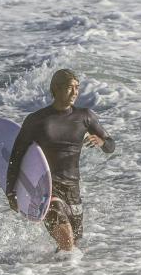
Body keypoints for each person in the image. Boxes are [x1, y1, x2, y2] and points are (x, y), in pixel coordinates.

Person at [6, 69, 115, 252]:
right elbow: (16, 156)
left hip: (73, 189)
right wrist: (11, 192)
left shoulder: (85, 117)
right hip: (47, 188)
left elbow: (111, 145)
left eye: (77, 88)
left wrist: (101, 141)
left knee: (71, 245)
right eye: (70, 87)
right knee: (66, 240)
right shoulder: (37, 120)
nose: (75, 92)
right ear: (56, 89)